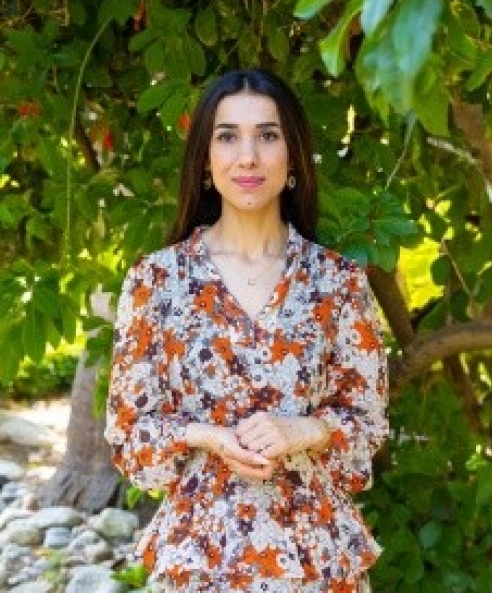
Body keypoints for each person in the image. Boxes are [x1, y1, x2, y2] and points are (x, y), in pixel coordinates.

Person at [104, 69, 389, 593]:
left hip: (316, 559)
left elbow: (368, 422)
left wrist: (307, 429)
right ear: (206, 162)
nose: (248, 156)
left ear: (295, 156)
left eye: (268, 135)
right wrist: (204, 436)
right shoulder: (156, 281)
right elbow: (128, 432)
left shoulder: (339, 282)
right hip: (200, 557)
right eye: (228, 136)